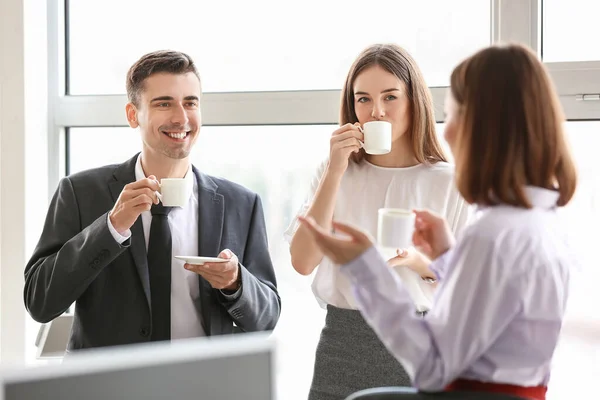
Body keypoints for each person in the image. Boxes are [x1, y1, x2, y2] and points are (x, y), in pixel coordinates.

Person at [298, 43, 578, 400]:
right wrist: (447, 256)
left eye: (455, 114)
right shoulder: (542, 223)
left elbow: (432, 367)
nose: (447, 130)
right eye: (363, 99)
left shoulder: (490, 232)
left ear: (486, 127)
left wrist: (364, 267)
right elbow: (493, 311)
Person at [24, 50, 281, 352]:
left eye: (190, 103)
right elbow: (40, 303)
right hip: (109, 386)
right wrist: (110, 228)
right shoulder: (80, 193)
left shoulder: (242, 203)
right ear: (133, 115)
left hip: (204, 383)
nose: (181, 117)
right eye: (164, 103)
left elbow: (266, 319)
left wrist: (236, 283)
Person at [285, 44, 471, 399]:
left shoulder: (448, 182)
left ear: (414, 101)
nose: (377, 112)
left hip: (421, 343)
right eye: (363, 99)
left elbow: (466, 291)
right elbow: (302, 261)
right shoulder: (334, 172)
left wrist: (419, 263)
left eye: (390, 97)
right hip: (343, 343)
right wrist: (336, 168)